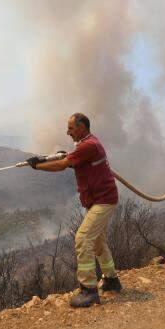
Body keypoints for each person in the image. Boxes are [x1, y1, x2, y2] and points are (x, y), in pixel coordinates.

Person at [26, 113, 121, 307]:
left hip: (103, 200)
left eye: (71, 128)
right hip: (98, 200)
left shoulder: (88, 145)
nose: (67, 132)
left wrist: (38, 166)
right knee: (97, 241)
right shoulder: (86, 144)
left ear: (82, 128)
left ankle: (89, 290)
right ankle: (111, 280)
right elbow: (75, 163)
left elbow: (62, 165)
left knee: (83, 238)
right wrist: (64, 159)